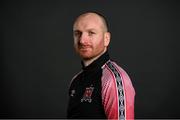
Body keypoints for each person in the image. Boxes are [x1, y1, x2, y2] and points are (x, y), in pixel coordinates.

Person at [67, 12, 135, 119]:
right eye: (77, 33)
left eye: (91, 33)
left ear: (106, 39)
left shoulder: (113, 80)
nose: (82, 40)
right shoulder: (76, 80)